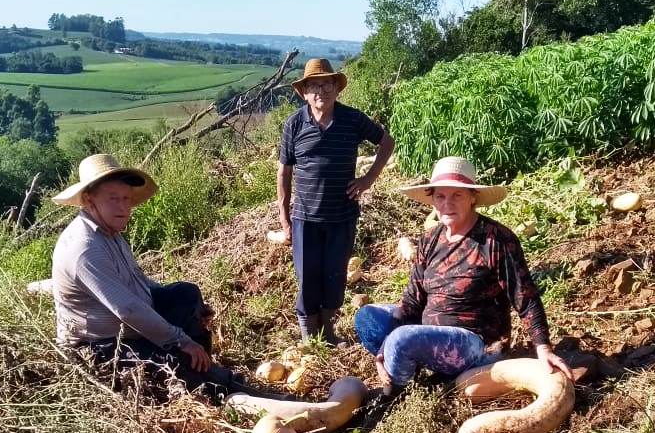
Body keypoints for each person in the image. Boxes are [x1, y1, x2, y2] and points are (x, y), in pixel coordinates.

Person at [354, 156, 573, 397]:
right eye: (440, 196)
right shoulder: (430, 240)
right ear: (432, 201)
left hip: (476, 344)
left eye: (456, 195)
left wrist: (543, 347)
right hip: (430, 333)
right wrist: (385, 345)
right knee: (368, 318)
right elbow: (413, 300)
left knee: (402, 338)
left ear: (472, 198)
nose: (447, 203)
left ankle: (394, 397)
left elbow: (525, 296)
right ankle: (405, 366)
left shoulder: (495, 240)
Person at [50, 153, 256, 400]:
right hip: (100, 346)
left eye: (126, 198)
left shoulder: (110, 232)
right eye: (113, 199)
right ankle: (217, 387)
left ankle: (202, 366)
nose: (123, 207)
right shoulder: (85, 248)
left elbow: (138, 281)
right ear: (88, 199)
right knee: (175, 359)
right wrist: (180, 339)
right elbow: (127, 309)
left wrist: (194, 311)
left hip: (128, 326)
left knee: (185, 294)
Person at [277, 58, 395, 344]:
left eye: (327, 83)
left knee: (335, 275)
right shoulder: (294, 124)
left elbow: (386, 142)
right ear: (304, 92)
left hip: (342, 214)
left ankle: (328, 332)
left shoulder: (352, 119)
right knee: (307, 277)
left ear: (336, 89)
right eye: (314, 85)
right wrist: (284, 216)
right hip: (305, 216)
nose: (322, 90)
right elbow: (285, 171)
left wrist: (368, 179)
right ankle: (310, 336)